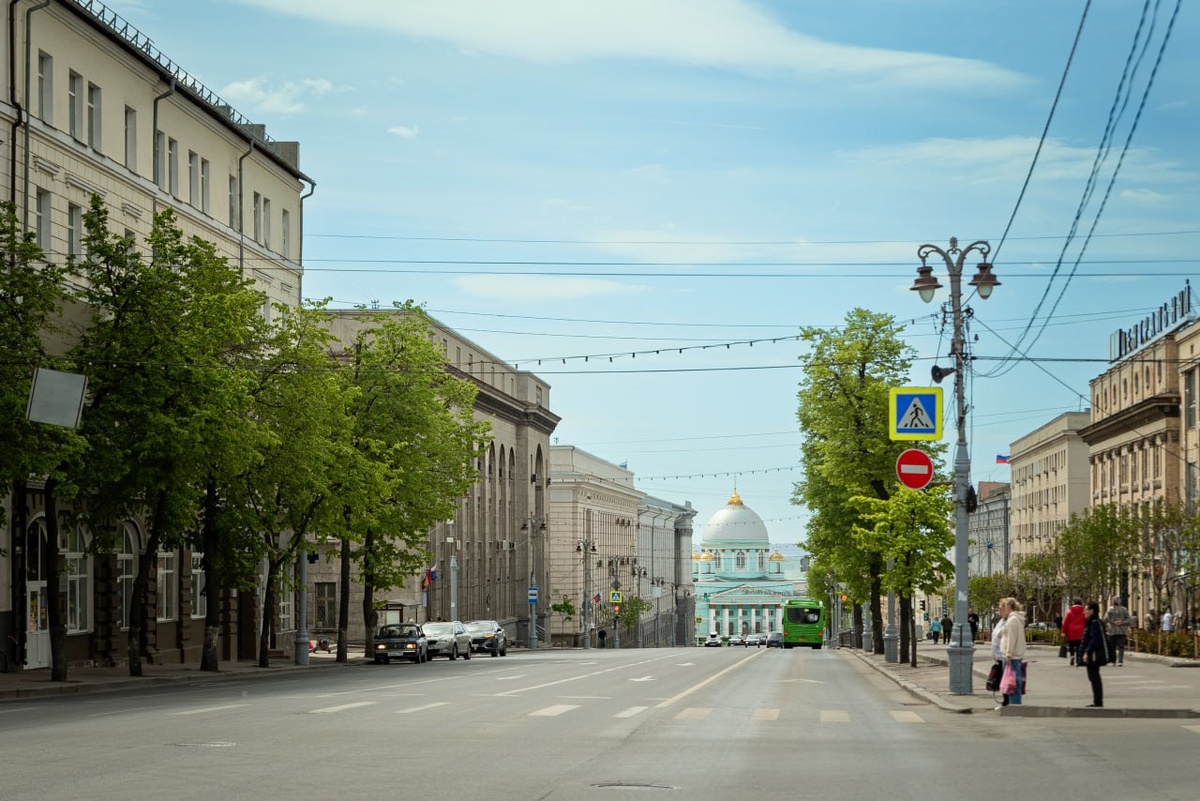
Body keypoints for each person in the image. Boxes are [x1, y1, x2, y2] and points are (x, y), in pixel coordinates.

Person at [996, 597, 1026, 709]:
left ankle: (1015, 705)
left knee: (1013, 681)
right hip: (1012, 655)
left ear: (1009, 607)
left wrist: (1008, 654)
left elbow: (1011, 638)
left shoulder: (1013, 620)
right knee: (1012, 681)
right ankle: (1012, 704)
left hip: (1012, 656)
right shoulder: (1012, 619)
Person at [1079, 600, 1108, 708]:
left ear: (1092, 610)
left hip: (1094, 655)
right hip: (1092, 654)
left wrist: (1087, 652)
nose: (1084, 612)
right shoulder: (1091, 622)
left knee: (1094, 677)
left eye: (1086, 610)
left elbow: (1095, 640)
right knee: (1093, 677)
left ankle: (1098, 701)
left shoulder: (1095, 622)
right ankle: (1097, 700)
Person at [1104, 597, 1132, 666]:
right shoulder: (1124, 610)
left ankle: (1113, 661)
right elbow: (1129, 620)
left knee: (1112, 646)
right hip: (1122, 630)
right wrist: (1121, 622)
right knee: (1121, 646)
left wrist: (1112, 622)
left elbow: (1105, 619)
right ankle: (1120, 661)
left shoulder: (1110, 610)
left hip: (1112, 630)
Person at [1062, 598, 1086, 665]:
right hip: (1081, 631)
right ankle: (1078, 659)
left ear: (1073, 603)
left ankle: (1072, 656)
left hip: (1071, 631)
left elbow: (1066, 622)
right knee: (1079, 645)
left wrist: (1063, 631)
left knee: (1071, 645)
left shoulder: (1069, 611)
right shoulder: (1084, 611)